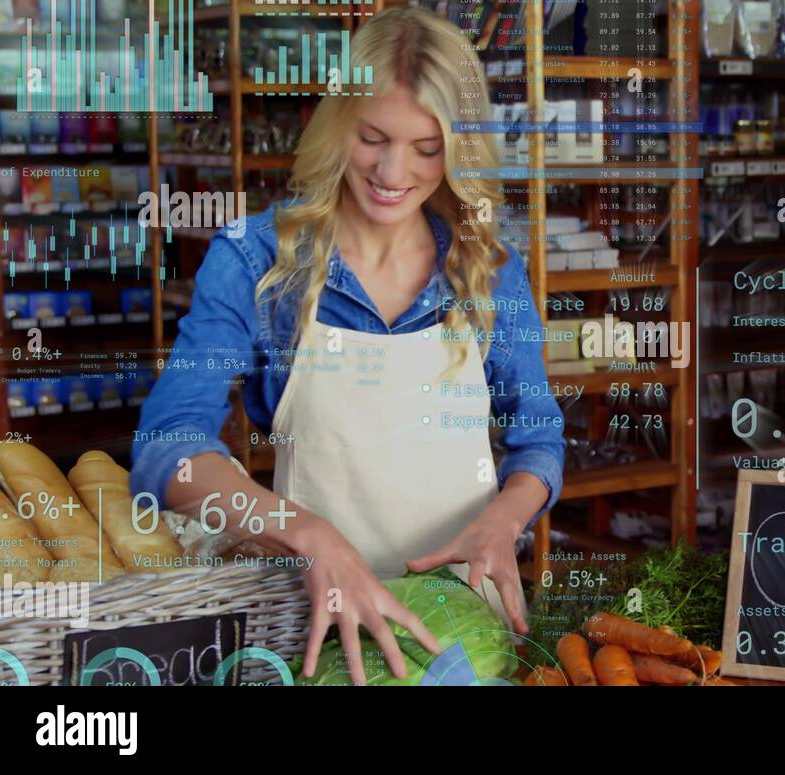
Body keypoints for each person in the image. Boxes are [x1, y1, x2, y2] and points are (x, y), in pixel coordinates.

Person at [130, 7, 566, 685]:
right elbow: (168, 447)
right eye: (373, 137)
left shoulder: (489, 267)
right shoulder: (256, 262)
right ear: (338, 123)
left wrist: (505, 518)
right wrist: (308, 536)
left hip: (458, 639)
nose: (394, 171)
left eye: (427, 148)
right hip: (318, 633)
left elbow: (538, 433)